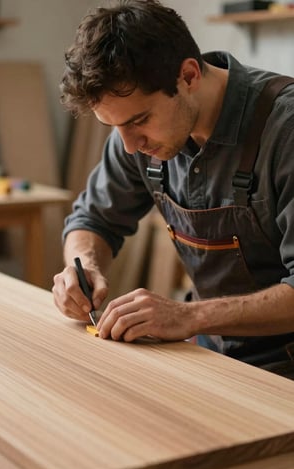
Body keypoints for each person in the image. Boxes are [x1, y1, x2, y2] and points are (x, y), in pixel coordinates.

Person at [52, 0, 294, 378]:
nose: (129, 145)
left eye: (139, 121)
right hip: (211, 355)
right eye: (114, 128)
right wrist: (83, 267)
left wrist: (188, 316)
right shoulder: (135, 133)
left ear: (189, 76)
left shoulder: (285, 130)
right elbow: (92, 219)